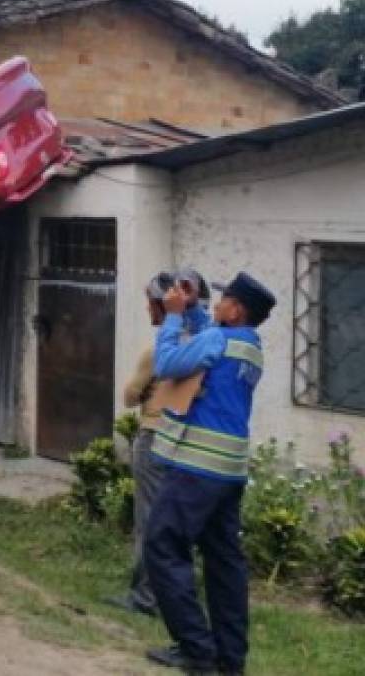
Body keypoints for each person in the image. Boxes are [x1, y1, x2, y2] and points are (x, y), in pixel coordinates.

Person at [143, 272, 276, 675]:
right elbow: (210, 341)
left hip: (197, 466)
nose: (215, 305)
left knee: (162, 547)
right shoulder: (249, 346)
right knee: (224, 563)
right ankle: (230, 659)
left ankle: (196, 650)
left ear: (236, 310)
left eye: (222, 301)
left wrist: (171, 317)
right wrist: (195, 310)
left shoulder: (219, 340)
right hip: (228, 471)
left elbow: (167, 364)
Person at [108, 269, 210, 617]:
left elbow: (130, 396)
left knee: (149, 519)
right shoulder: (204, 342)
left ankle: (146, 596)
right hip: (190, 441)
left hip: (155, 436)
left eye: (150, 302)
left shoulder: (157, 350)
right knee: (179, 522)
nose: (148, 309)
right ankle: (177, 594)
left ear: (162, 304)